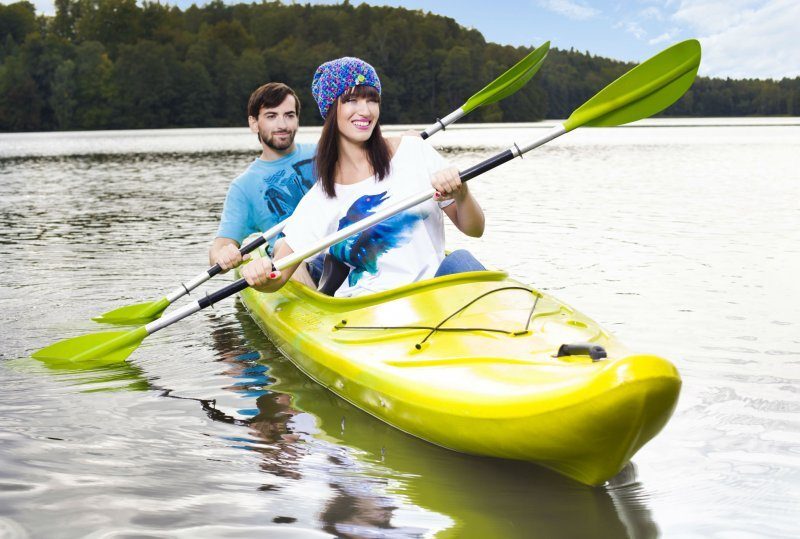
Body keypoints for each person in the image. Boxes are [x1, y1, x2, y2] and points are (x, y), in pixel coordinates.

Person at [241, 57, 486, 297]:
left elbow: (475, 229)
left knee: (461, 261)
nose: (365, 110)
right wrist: (260, 275)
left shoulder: (414, 151)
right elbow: (279, 277)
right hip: (368, 311)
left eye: (372, 100)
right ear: (331, 110)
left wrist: (462, 194)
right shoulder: (320, 198)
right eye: (351, 100)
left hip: (433, 298)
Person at [209, 82, 321, 287]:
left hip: (339, 246)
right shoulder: (244, 187)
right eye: (271, 116)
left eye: (289, 115)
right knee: (283, 245)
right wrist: (224, 253)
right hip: (295, 265)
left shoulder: (324, 153)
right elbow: (221, 245)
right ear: (254, 123)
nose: (282, 125)